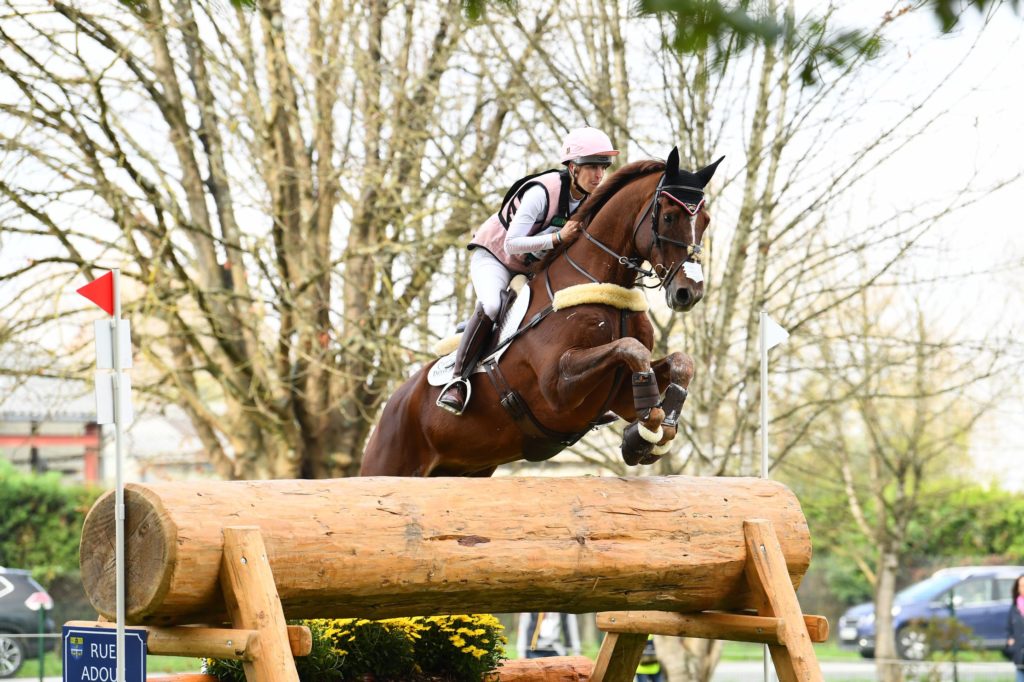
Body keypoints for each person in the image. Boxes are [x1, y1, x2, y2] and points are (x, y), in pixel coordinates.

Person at [436, 127, 619, 415]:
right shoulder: (542, 191)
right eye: (592, 167)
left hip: (531, 267)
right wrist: (557, 238)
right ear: (573, 167)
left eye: (603, 167)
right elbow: (512, 245)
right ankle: (458, 382)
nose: (599, 175)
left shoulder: (592, 201)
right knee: (494, 305)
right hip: (496, 257)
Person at [516, 612, 582, 659]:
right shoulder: (532, 602)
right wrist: (521, 653)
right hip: (533, 651)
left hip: (557, 650)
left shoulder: (565, 603)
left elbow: (572, 627)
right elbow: (523, 627)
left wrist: (576, 651)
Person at [1007, 573, 1024, 681]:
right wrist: (1011, 642)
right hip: (1021, 660)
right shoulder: (1014, 608)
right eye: (1022, 585)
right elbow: (1009, 629)